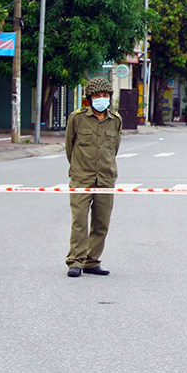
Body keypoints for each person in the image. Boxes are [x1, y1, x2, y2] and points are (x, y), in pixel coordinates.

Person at [64, 78, 123, 278]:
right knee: (79, 221)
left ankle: (92, 261)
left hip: (105, 179)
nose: (101, 99)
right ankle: (76, 261)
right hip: (81, 178)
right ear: (89, 98)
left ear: (110, 98)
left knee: (101, 222)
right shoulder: (77, 118)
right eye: (97, 96)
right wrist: (79, 169)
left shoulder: (115, 120)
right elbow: (69, 148)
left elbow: (114, 149)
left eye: (105, 96)